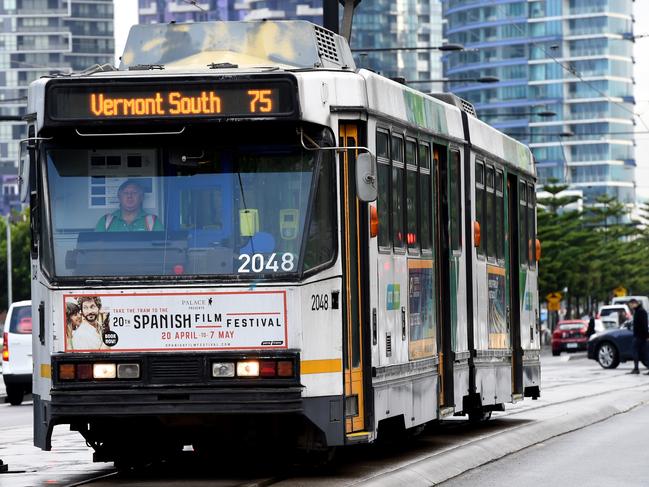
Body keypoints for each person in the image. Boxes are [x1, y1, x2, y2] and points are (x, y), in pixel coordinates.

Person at [95, 179, 163, 232]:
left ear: (142, 197)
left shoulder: (153, 221)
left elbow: (161, 248)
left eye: (134, 193)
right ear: (119, 197)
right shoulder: (106, 221)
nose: (129, 196)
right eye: (125, 193)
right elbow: (97, 247)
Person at [627, 298, 648, 374]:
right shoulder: (638, 311)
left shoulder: (641, 312)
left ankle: (636, 369)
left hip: (640, 336)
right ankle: (636, 368)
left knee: (636, 351)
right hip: (639, 336)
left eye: (631, 305)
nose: (630, 306)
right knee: (642, 353)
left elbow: (644, 325)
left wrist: (646, 336)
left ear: (634, 303)